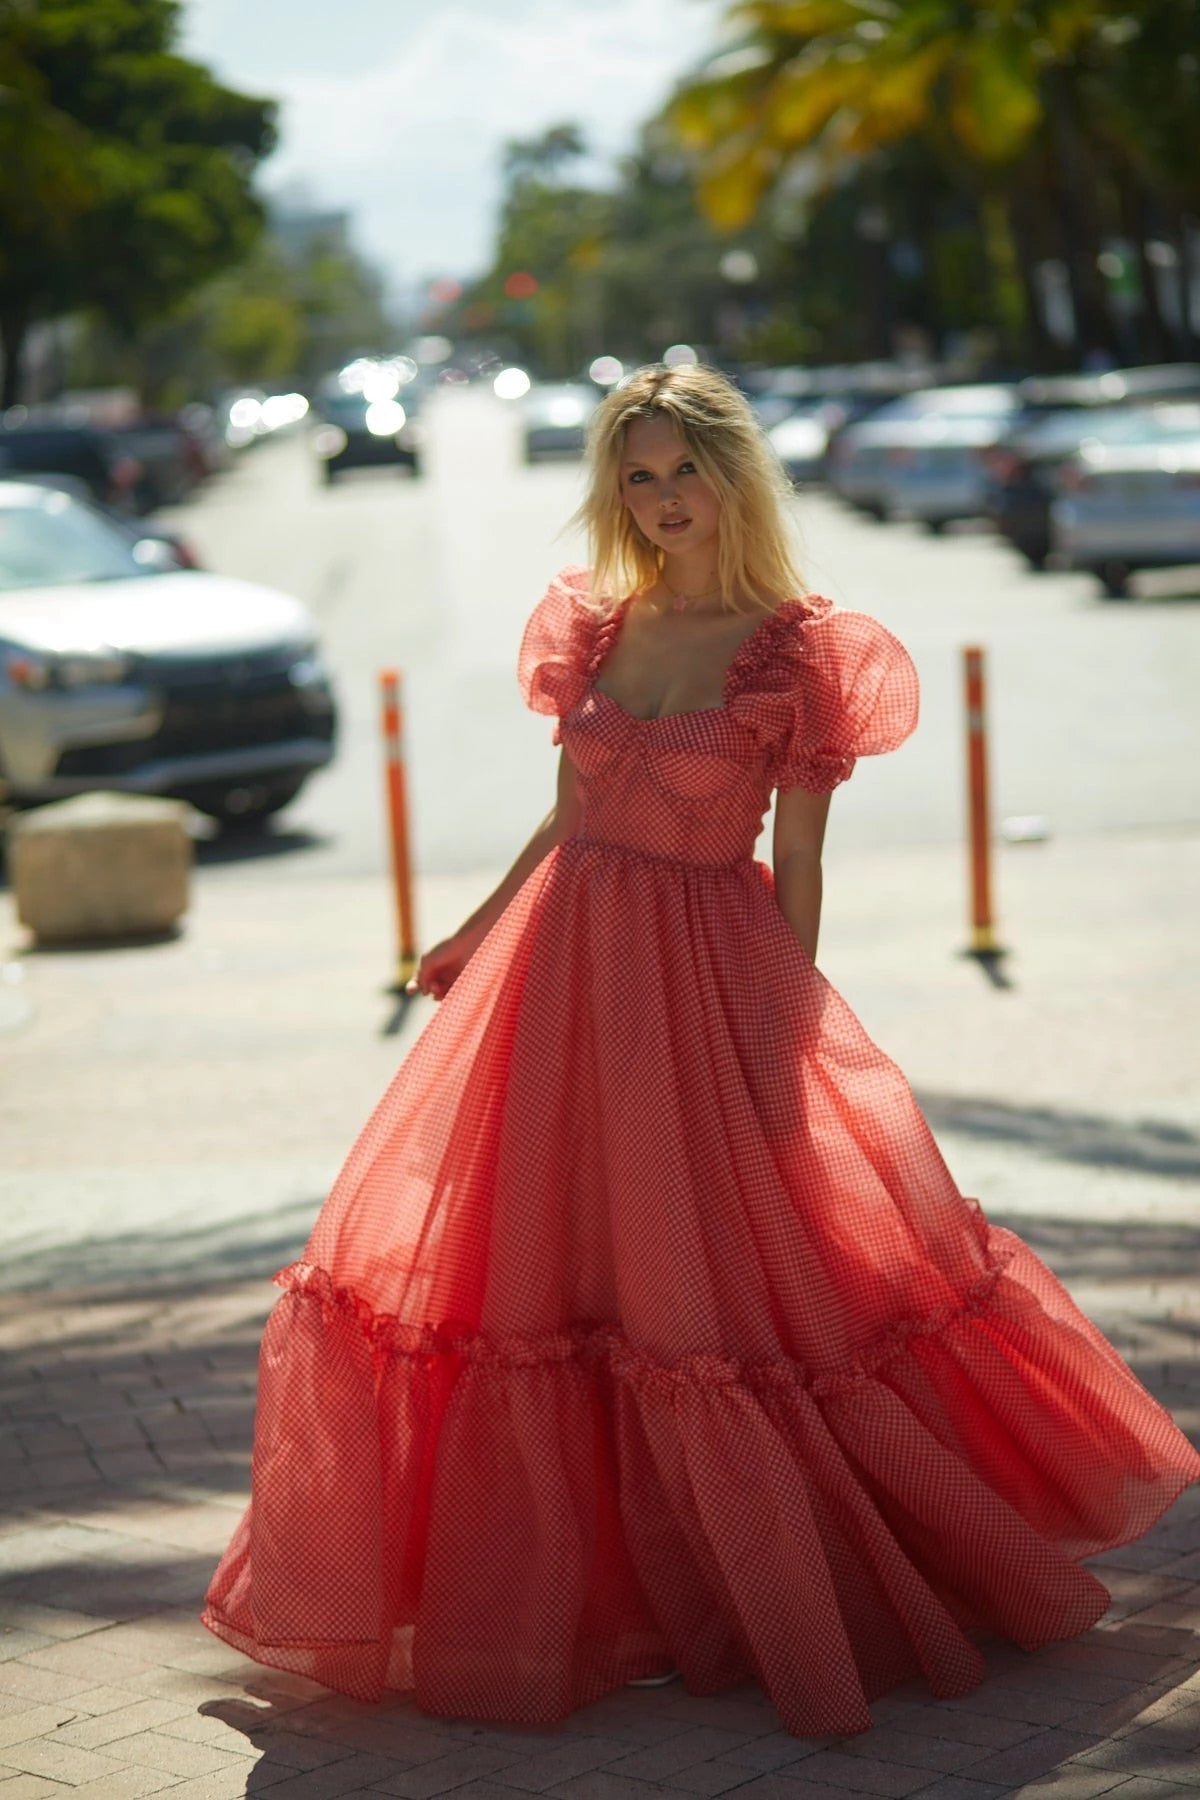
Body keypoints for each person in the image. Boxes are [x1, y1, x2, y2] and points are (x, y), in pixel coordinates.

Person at [202, 362, 1200, 1740]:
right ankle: (604, 1594)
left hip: (704, 976)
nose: (664, 499)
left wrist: (781, 1024)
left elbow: (803, 863)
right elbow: (570, 813)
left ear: (736, 477)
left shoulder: (796, 653)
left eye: (686, 471)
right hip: (562, 974)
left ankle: (784, 1582)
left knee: (715, 1299)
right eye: (640, 476)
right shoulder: (595, 625)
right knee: (549, 1269)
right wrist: (477, 930)